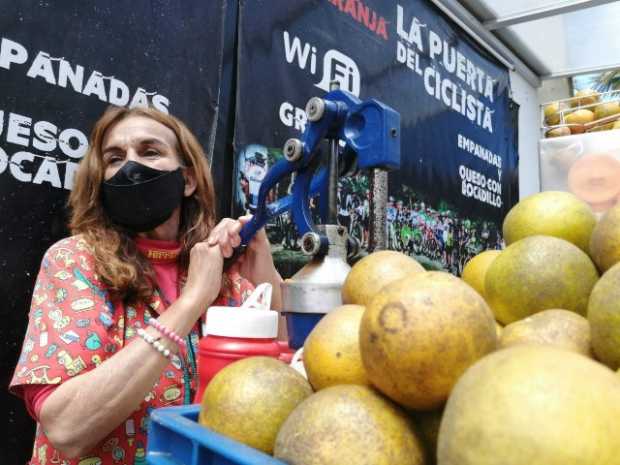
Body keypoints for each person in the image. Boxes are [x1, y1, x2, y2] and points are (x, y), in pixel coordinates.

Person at [9, 106, 284, 465]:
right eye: (114, 157)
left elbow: (277, 383)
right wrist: (190, 303)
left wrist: (266, 280)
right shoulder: (75, 260)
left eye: (150, 152)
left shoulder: (219, 269)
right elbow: (66, 428)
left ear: (187, 180)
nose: (130, 167)